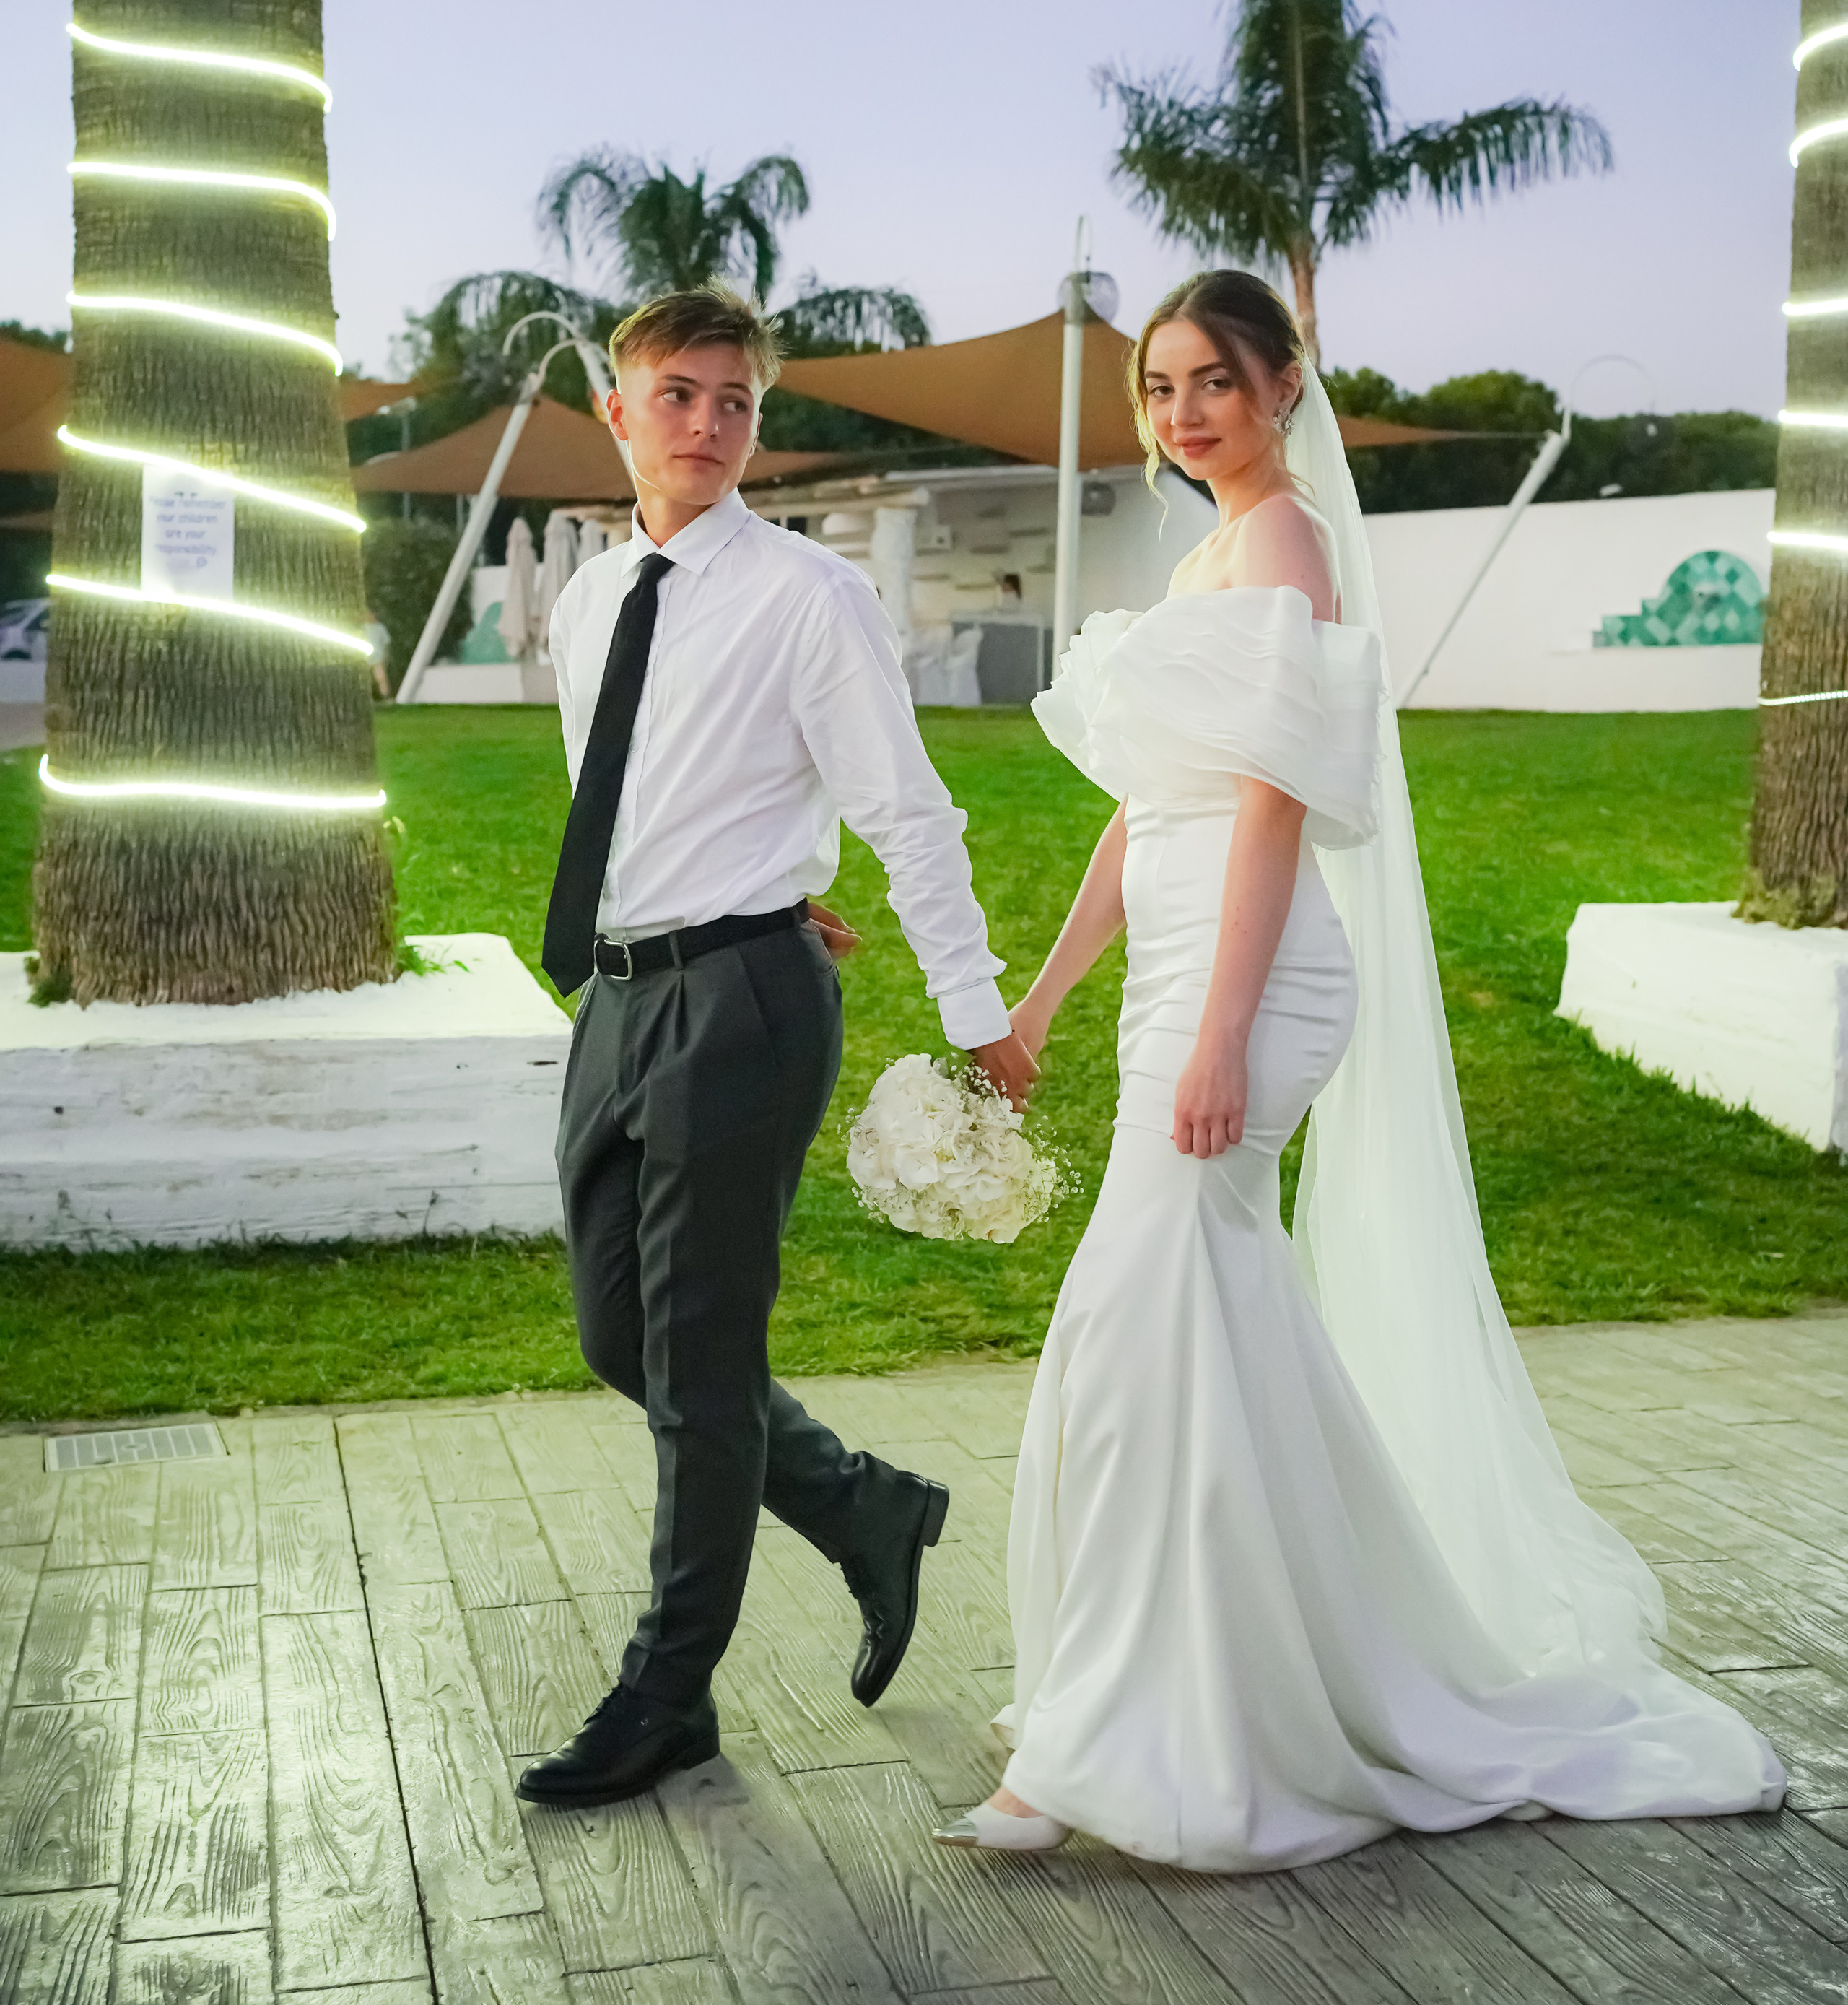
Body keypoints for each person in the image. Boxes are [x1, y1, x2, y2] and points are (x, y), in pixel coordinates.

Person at [937, 270, 1782, 1863]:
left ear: (1279, 388)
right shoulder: (1205, 554)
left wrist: (1212, 1037)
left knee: (1146, 1327)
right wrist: (1042, 1002)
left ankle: (1112, 1735)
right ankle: (1195, 1687)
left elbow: (1264, 812)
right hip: (1177, 981)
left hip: (1247, 989)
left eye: (1210, 381)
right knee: (1191, 1332)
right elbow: (1143, 813)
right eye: (1159, 386)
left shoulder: (1285, 547)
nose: (1182, 412)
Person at [518, 284, 1037, 1812]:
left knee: (695, 1359)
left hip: (743, 1005)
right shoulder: (587, 602)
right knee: (626, 1336)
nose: (706, 426)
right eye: (676, 395)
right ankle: (867, 1508)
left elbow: (906, 811)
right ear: (615, 412)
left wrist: (971, 1011)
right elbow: (630, 798)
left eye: (734, 402)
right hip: (617, 997)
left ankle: (667, 1697)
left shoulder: (809, 599)